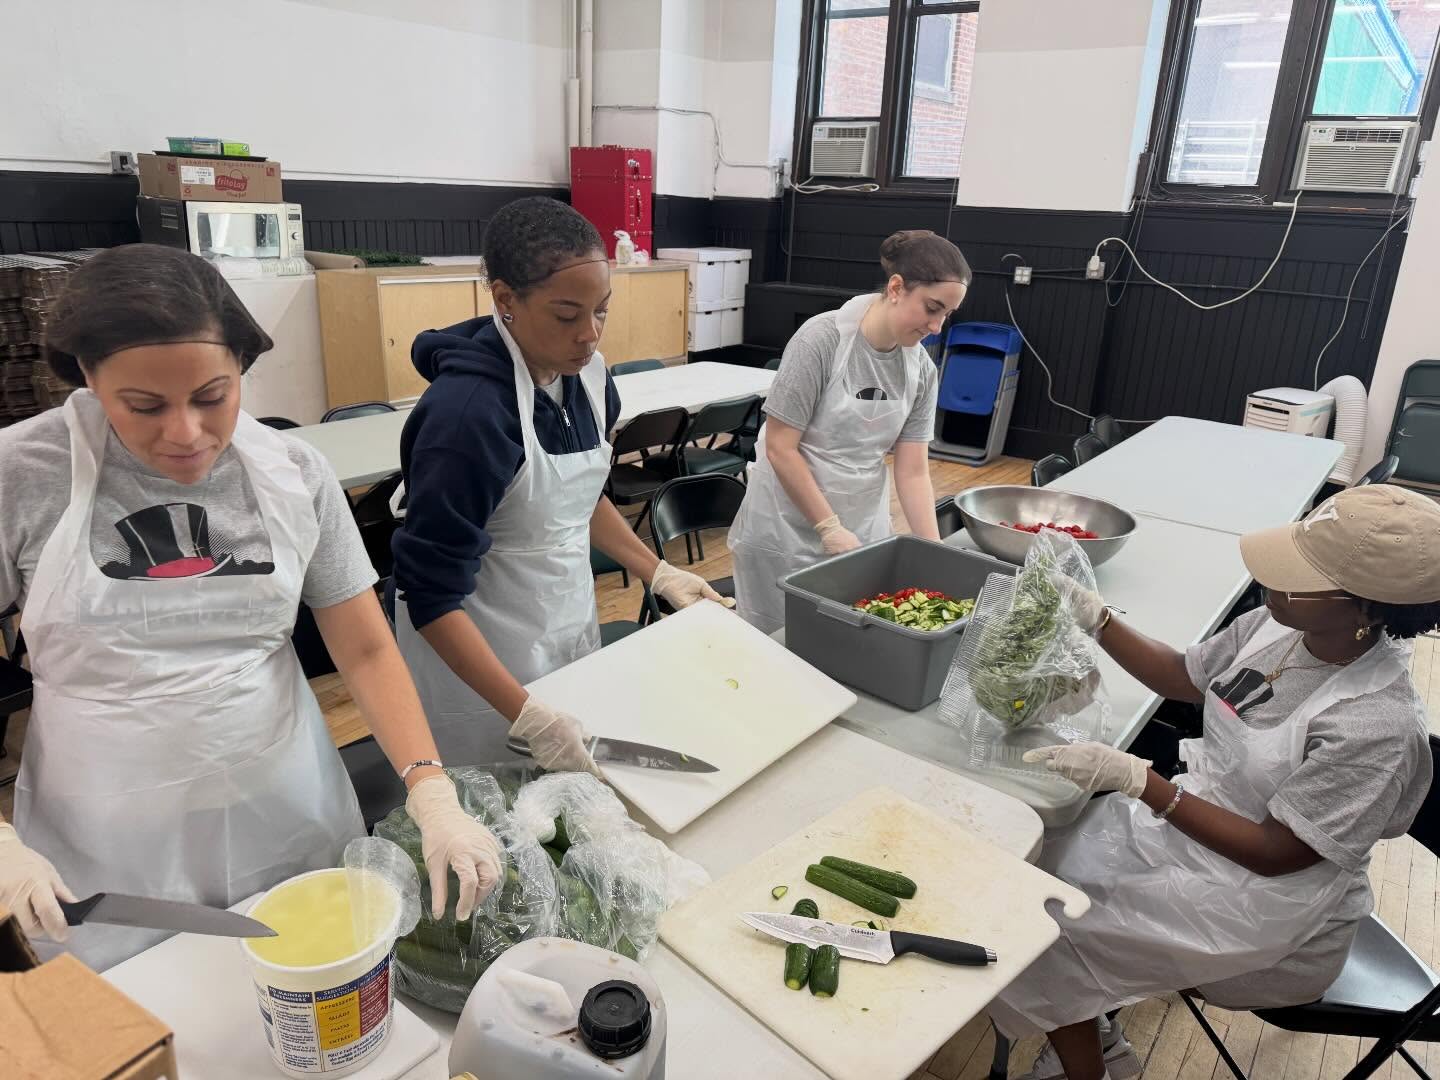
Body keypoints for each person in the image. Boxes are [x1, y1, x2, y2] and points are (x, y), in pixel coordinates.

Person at [0, 245, 505, 971]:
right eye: (144, 406)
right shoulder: (21, 475)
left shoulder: (295, 472)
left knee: (309, 978)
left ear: (242, 365)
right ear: (87, 375)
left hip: (282, 803)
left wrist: (431, 789)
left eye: (212, 396)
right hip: (103, 838)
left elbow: (365, 647)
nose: (185, 432)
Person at [992, 485, 1440, 1080]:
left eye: (1303, 575)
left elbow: (1276, 853)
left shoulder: (1375, 725)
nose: (1271, 579)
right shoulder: (1278, 625)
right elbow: (1184, 675)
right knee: (1024, 872)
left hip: (1264, 905)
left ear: (1366, 610)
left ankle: (1088, 1070)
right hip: (1192, 833)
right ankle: (1094, 1032)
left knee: (1044, 929)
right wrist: (1099, 619)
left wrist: (1141, 781)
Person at [392, 197, 724, 770]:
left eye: (602, 311)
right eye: (567, 315)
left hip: (562, 618)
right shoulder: (467, 418)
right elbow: (431, 598)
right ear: (505, 300)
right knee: (499, 801)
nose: (589, 335)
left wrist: (658, 571)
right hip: (480, 658)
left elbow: (575, 499)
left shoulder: (588, 380)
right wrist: (525, 714)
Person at [728, 229, 970, 632]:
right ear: (896, 288)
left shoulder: (920, 371)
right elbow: (781, 447)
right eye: (932, 308)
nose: (937, 327)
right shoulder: (821, 341)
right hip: (785, 524)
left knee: (845, 641)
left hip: (860, 524)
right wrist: (828, 526)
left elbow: (912, 471)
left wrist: (934, 552)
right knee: (776, 640)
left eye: (947, 314)